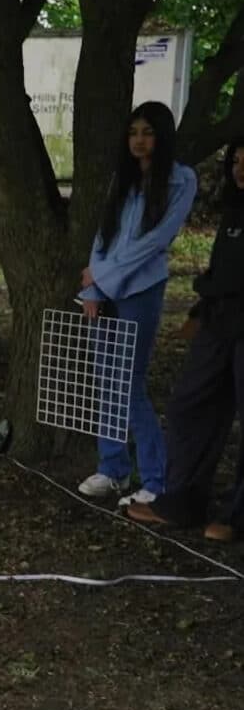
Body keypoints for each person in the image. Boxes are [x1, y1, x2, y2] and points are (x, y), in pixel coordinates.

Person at [76, 101, 197, 504]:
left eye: (147, 133)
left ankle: (156, 480)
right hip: (104, 292)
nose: (139, 141)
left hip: (140, 291)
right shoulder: (122, 181)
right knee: (106, 379)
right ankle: (112, 468)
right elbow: (103, 237)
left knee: (130, 383)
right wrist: (93, 289)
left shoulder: (181, 180)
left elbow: (155, 242)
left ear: (161, 136)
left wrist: (105, 279)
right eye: (133, 133)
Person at [126, 137, 244, 539]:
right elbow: (222, 270)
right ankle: (182, 500)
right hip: (218, 322)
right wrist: (200, 310)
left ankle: (235, 515)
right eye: (236, 161)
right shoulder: (233, 211)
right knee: (188, 405)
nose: (241, 170)